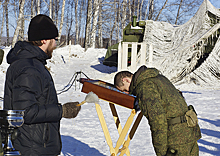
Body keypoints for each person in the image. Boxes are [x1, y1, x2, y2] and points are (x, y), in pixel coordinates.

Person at [3, 14, 81, 155]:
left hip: (34, 144)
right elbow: (25, 112)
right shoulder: (29, 68)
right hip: (33, 147)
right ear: (44, 40)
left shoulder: (31, 64)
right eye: (54, 39)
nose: (55, 44)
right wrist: (62, 111)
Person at [114, 65, 201, 156]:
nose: (128, 93)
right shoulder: (158, 78)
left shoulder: (145, 87)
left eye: (125, 90)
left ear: (125, 80)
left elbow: (158, 121)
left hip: (176, 140)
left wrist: (161, 152)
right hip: (190, 132)